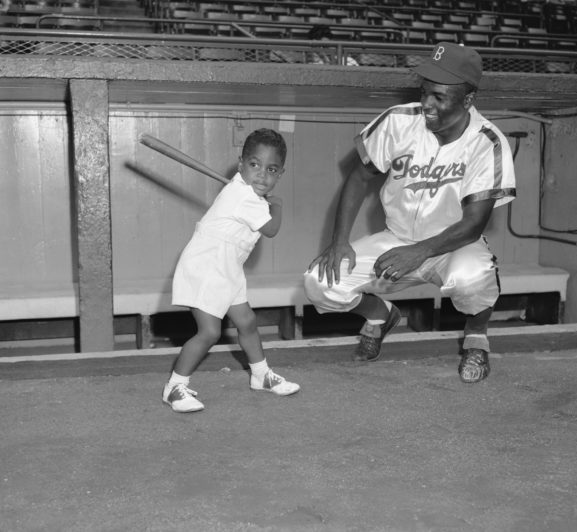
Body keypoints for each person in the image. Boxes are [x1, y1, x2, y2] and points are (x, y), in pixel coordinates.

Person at [304, 43, 516, 384]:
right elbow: (359, 177)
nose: (427, 103)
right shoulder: (399, 121)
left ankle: (477, 337)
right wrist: (339, 240)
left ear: (467, 99)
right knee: (319, 283)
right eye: (424, 92)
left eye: (439, 96)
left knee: (473, 278)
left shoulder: (487, 143)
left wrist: (417, 253)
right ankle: (381, 316)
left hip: (454, 244)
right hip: (397, 237)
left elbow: (474, 224)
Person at [163, 128, 300, 413]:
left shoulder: (248, 194)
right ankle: (174, 387)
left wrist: (266, 202)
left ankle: (260, 375)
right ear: (241, 165)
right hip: (206, 267)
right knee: (209, 332)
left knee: (247, 322)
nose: (262, 175)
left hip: (227, 267)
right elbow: (272, 229)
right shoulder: (243, 197)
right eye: (254, 165)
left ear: (280, 174)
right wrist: (278, 206)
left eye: (271, 169)